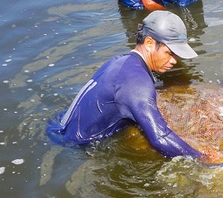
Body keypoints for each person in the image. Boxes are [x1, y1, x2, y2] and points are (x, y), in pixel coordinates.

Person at [46, 10, 205, 158]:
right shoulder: (136, 82)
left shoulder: (121, 61)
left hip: (58, 127)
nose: (174, 61)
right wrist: (207, 160)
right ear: (149, 43)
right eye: (169, 53)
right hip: (74, 146)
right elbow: (160, 138)